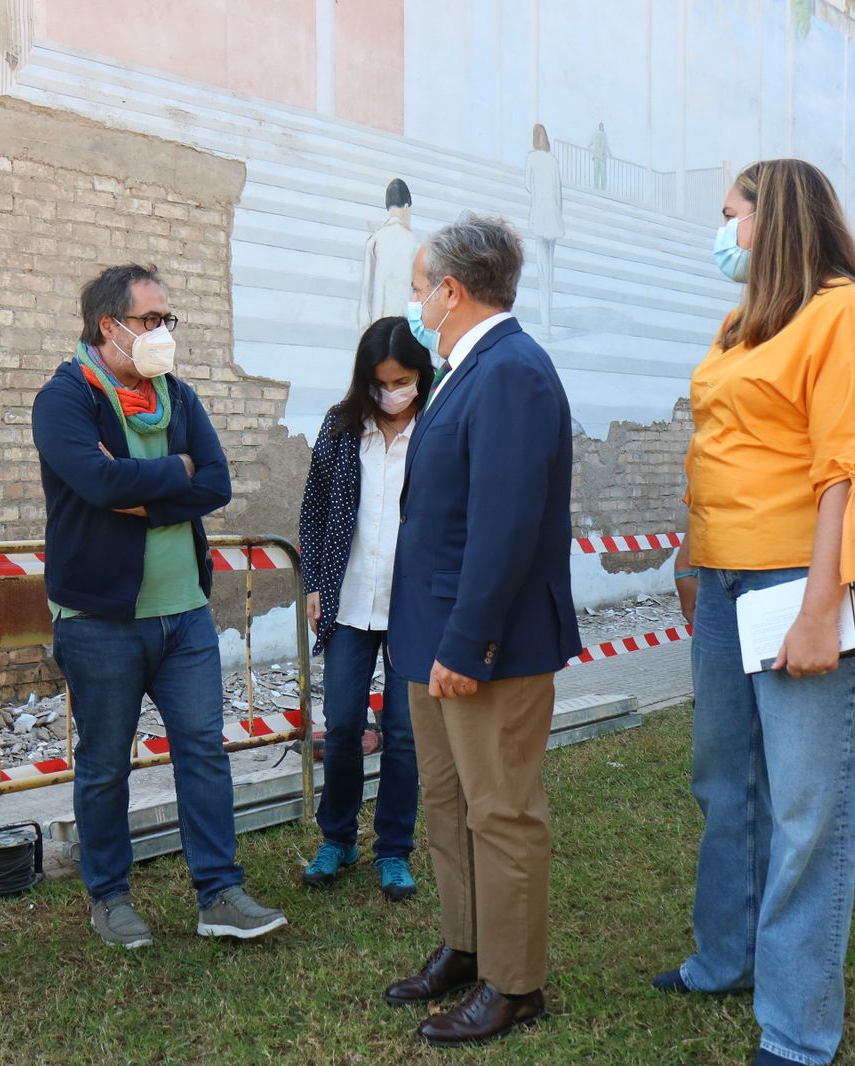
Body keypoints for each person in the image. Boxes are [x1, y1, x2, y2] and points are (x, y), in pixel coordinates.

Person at [663, 160, 855, 1066]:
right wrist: (695, 555)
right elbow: (720, 446)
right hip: (730, 581)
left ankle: (799, 1029)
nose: (721, 229)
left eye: (728, 212)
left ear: (774, 217)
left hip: (807, 579)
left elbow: (847, 469)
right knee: (724, 780)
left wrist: (821, 608)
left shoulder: (844, 312)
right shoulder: (745, 322)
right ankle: (727, 959)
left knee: (809, 809)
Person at [31, 263, 287, 950]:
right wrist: (171, 475)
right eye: (151, 320)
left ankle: (219, 893)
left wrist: (143, 489)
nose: (164, 332)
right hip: (100, 621)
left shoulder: (178, 395)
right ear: (108, 327)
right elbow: (94, 479)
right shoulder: (65, 398)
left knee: (203, 749)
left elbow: (218, 484)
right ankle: (110, 898)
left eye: (168, 319)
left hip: (185, 613)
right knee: (107, 761)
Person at [383, 215, 582, 1047]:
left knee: (499, 811)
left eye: (421, 284)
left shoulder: (510, 372)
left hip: (479, 646)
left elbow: (504, 525)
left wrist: (468, 645)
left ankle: (515, 983)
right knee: (448, 802)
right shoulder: (471, 369)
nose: (416, 300)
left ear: (452, 291)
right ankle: (467, 944)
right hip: (435, 636)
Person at [297, 316, 434, 901]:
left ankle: (394, 849)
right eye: (380, 382)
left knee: (403, 734)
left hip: (413, 604)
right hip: (348, 599)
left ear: (421, 377)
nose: (391, 393)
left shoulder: (437, 427)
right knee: (345, 722)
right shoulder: (341, 427)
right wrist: (313, 583)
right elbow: (314, 510)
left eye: (402, 380)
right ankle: (338, 838)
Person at [358, 178, 421, 332]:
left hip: (377, 330)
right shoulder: (415, 244)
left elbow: (366, 293)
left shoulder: (374, 240)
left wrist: (364, 333)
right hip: (404, 330)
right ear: (407, 207)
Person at [525, 124, 564, 335]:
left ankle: (546, 327)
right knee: (549, 273)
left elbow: (528, 186)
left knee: (542, 274)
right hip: (554, 220)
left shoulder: (532, 159)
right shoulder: (553, 160)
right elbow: (559, 192)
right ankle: (547, 322)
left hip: (540, 219)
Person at [588, 121, 611, 189]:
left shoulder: (598, 134)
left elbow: (591, 142)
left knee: (598, 172)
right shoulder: (601, 134)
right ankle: (600, 187)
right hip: (599, 156)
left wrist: (588, 147)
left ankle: (598, 187)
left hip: (598, 156)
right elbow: (606, 146)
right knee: (601, 172)